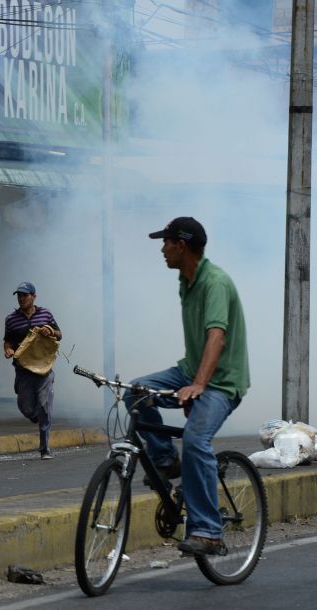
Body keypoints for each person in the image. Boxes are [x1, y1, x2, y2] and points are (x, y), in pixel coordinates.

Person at [127, 217, 249, 556]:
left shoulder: (215, 283)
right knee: (136, 393)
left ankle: (209, 531)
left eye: (165, 242)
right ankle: (167, 461)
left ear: (181, 246)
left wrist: (198, 385)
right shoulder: (186, 279)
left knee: (196, 440)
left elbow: (217, 336)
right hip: (190, 370)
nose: (162, 249)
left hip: (222, 382)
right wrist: (191, 378)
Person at [3, 281, 61, 460]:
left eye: (25, 295)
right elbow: (7, 341)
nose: (21, 299)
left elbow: (59, 334)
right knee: (26, 407)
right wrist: (8, 349)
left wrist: (50, 330)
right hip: (23, 369)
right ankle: (37, 416)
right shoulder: (11, 319)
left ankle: (45, 448)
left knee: (44, 405)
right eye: (19, 296)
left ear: (33, 296)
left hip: (44, 369)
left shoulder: (45, 313)